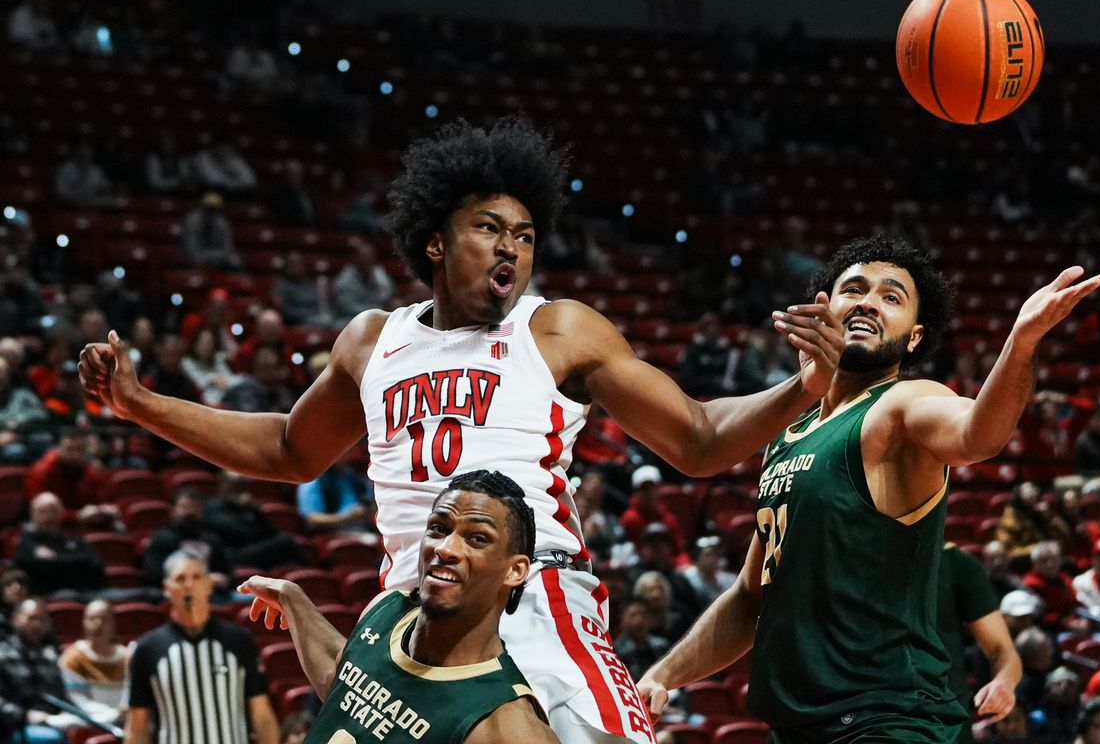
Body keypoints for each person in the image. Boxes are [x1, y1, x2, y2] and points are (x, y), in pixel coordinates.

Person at [80, 116, 846, 744]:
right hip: (417, 607)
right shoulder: (371, 339)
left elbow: (700, 439)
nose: (512, 244)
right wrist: (142, 403)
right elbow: (287, 450)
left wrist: (801, 388)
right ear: (437, 242)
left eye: (525, 233)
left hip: (534, 594)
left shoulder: (558, 332)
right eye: (489, 227)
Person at [637, 235, 1100, 742]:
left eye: (892, 296)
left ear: (914, 338)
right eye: (854, 289)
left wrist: (1020, 344)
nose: (868, 301)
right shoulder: (786, 436)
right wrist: (664, 675)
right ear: (824, 311)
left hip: (886, 718)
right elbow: (751, 595)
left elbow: (977, 435)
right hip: (797, 725)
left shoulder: (903, 402)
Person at [237, 470, 558, 744]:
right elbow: (345, 675)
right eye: (439, 528)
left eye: (477, 538)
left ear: (515, 570)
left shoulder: (508, 724)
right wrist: (294, 601)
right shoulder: (386, 609)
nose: (446, 548)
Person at [125, 549, 279, 744]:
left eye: (196, 577)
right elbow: (137, 727)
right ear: (166, 588)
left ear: (208, 584)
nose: (189, 585)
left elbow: (262, 716)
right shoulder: (147, 649)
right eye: (180, 579)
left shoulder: (239, 641)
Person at [936, 542, 1021, 742]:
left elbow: (1003, 651)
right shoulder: (853, 553)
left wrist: (1004, 681)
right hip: (867, 714)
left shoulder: (955, 563)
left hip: (943, 721)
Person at [0, 598, 80, 744]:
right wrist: (25, 715)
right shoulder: (2, 655)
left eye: (42, 619)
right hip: (13, 725)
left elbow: (60, 695)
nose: (37, 624)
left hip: (51, 721)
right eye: (31, 618)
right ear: (15, 619)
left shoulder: (49, 656)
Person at [14, 493, 106, 598]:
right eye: (43, 512)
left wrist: (55, 559)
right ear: (33, 515)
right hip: (49, 595)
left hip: (87, 592)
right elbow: (37, 567)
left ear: (62, 512)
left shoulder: (74, 538)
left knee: (126, 595)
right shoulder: (28, 542)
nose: (49, 516)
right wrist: (76, 562)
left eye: (53, 510)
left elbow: (95, 564)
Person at [59, 599, 127, 726]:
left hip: (125, 719)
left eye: (104, 619)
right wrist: (114, 714)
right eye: (92, 619)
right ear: (84, 623)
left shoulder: (127, 657)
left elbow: (131, 694)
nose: (98, 624)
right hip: (91, 720)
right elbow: (80, 701)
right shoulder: (72, 658)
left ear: (113, 623)